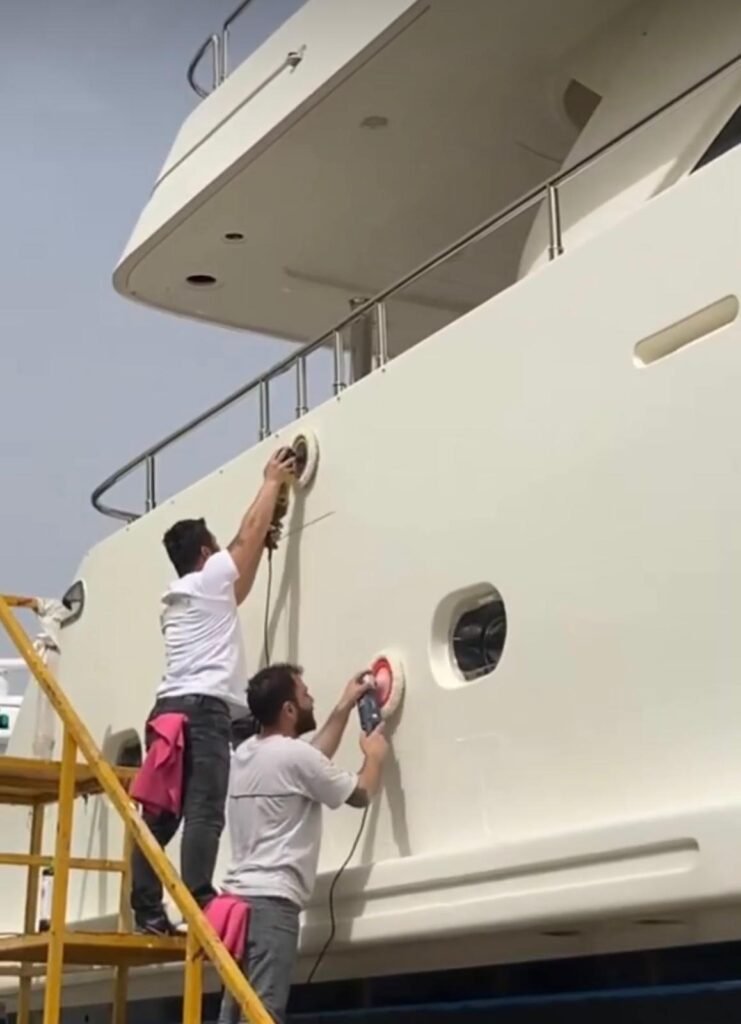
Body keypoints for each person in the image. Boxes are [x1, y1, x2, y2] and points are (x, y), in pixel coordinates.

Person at [130, 447, 296, 935]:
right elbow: (246, 537)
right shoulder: (208, 582)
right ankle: (201, 899)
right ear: (206, 555)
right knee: (205, 809)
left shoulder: (182, 598)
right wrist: (271, 481)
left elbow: (238, 587)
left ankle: (147, 910)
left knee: (161, 816)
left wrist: (260, 539)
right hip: (203, 713)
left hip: (167, 711)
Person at [218, 663, 389, 1024]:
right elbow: (361, 794)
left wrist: (344, 707)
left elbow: (310, 763)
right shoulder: (294, 757)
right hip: (272, 904)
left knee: (234, 1011)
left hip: (237, 904)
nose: (311, 697)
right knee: (263, 1012)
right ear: (289, 709)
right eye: (304, 694)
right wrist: (374, 756)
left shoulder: (247, 753)